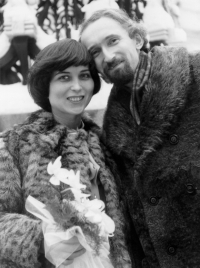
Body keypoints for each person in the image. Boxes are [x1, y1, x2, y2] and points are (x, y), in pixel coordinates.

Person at [80, 8, 200, 268]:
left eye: (113, 41)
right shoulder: (112, 126)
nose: (108, 56)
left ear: (136, 38)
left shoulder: (194, 73)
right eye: (96, 53)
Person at [0, 39, 132, 268]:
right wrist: (42, 239)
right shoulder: (14, 145)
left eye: (84, 75)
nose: (77, 86)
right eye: (64, 77)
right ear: (45, 86)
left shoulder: (109, 145)